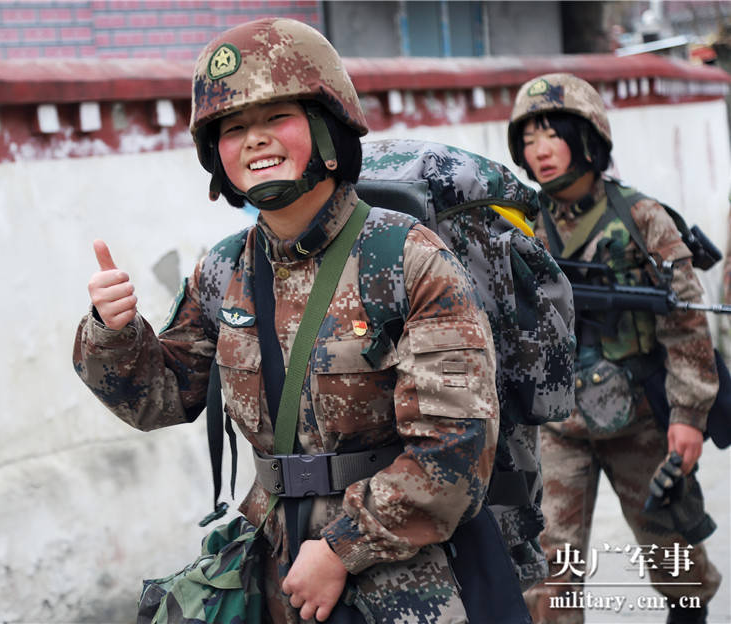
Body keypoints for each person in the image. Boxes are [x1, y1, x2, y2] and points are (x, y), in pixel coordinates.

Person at [74, 17, 503, 623]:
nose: (254, 140)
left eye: (277, 118)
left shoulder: (407, 259)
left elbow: (456, 447)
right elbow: (161, 398)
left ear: (328, 128)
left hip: (402, 577)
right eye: (233, 128)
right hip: (267, 562)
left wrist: (340, 550)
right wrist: (114, 333)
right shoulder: (223, 270)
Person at [507, 73, 722, 624]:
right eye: (528, 140)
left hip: (642, 421)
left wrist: (689, 416)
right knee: (547, 573)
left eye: (552, 134)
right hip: (556, 426)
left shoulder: (641, 217)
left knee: (677, 563)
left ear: (588, 138)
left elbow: (686, 322)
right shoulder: (520, 221)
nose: (540, 150)